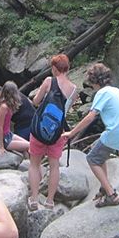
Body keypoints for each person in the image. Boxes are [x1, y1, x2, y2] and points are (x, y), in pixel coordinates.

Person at [62, 62, 119, 208]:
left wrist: (71, 132)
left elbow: (91, 116)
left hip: (115, 131)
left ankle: (111, 195)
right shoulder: (117, 91)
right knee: (100, 157)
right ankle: (104, 187)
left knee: (92, 159)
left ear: (94, 80)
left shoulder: (102, 93)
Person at [27, 54, 79, 211]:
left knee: (34, 164)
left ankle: (34, 199)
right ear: (68, 68)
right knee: (54, 165)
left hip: (39, 130)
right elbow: (65, 110)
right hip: (58, 132)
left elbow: (36, 101)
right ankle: (50, 201)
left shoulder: (49, 81)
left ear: (55, 68)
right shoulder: (74, 89)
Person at [0, 81, 31, 155]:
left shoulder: (9, 105)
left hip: (9, 134)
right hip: (4, 139)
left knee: (30, 145)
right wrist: (1, 146)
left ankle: (29, 163)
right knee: (30, 145)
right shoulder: (3, 107)